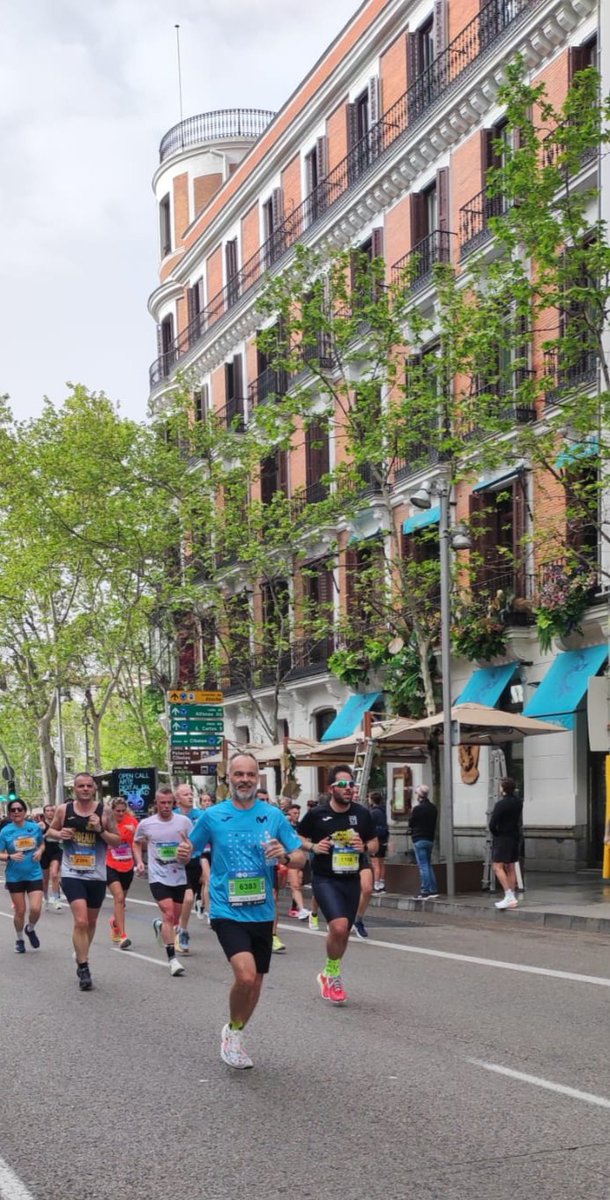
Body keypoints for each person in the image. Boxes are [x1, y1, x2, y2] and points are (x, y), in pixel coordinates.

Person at [185, 752, 304, 1069]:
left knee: (256, 983)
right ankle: (233, 1037)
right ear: (229, 777)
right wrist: (183, 852)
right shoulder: (213, 816)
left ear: (257, 778)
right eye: (239, 774)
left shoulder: (274, 816)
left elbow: (301, 857)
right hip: (227, 908)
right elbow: (190, 849)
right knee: (246, 975)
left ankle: (234, 1030)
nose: (245, 780)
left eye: (251, 774)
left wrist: (286, 856)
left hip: (263, 911)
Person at [297, 765, 378, 1004]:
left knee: (342, 934)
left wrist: (363, 847)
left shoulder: (362, 814)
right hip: (325, 878)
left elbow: (374, 843)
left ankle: (330, 971)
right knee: (340, 927)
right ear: (331, 788)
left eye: (351, 784)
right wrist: (313, 846)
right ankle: (333, 974)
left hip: (350, 878)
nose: (349, 788)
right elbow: (298, 837)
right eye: (343, 784)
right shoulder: (317, 814)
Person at [46, 773, 120, 990]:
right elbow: (49, 832)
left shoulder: (105, 812)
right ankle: (84, 966)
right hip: (72, 873)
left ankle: (81, 952)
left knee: (91, 922)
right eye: (81, 786)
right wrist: (60, 834)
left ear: (94, 788)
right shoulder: (63, 810)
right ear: (74, 789)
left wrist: (100, 830)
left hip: (96, 874)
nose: (85, 789)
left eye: (89, 785)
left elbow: (116, 842)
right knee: (80, 921)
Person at [132, 787, 192, 975]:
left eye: (169, 803)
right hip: (157, 875)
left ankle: (159, 926)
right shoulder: (147, 824)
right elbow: (136, 842)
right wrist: (140, 861)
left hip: (179, 874)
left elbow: (193, 844)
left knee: (173, 917)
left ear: (174, 803)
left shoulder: (184, 822)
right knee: (168, 914)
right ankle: (172, 959)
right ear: (156, 803)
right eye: (162, 803)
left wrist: (187, 848)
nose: (166, 806)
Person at [0, 798, 45, 953]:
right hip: (15, 876)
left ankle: (30, 929)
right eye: (13, 810)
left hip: (34, 873)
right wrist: (9, 857)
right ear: (10, 813)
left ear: (25, 811)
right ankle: (19, 939)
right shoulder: (5, 831)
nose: (17, 812)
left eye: (19, 809)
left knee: (36, 908)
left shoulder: (34, 828)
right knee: (20, 911)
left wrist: (39, 851)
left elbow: (42, 843)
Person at [173, 782, 203, 954]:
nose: (190, 797)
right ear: (177, 799)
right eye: (185, 794)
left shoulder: (201, 815)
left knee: (184, 902)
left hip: (196, 861)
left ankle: (169, 925)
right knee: (188, 898)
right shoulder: (172, 816)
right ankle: (182, 931)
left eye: (191, 794)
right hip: (177, 863)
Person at [106, 796, 139, 949]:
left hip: (127, 865)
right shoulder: (106, 822)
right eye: (117, 811)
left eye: (122, 811)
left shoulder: (131, 822)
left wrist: (136, 832)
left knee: (122, 901)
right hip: (110, 864)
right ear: (111, 810)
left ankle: (115, 923)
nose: (120, 814)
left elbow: (139, 843)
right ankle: (123, 936)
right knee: (118, 897)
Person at [490, 777, 523, 910]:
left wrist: (496, 834)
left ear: (503, 789)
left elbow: (492, 824)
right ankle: (512, 896)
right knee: (511, 866)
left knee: (497, 866)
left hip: (503, 837)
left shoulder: (500, 804)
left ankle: (508, 895)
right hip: (515, 836)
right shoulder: (518, 802)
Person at [410, 784, 439, 900]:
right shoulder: (433, 808)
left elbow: (411, 823)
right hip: (429, 838)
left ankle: (425, 890)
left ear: (419, 795)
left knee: (423, 866)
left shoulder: (417, 809)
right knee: (428, 864)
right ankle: (433, 889)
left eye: (416, 793)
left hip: (419, 838)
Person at [285, 803, 310, 921]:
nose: (297, 815)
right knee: (294, 884)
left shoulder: (301, 826)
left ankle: (295, 908)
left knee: (298, 884)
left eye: (298, 813)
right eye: (294, 813)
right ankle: (301, 909)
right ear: (288, 813)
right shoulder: (284, 825)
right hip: (289, 858)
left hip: (301, 858)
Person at [39, 803, 64, 910]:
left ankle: (56, 898)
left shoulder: (59, 824)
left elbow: (63, 836)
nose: (50, 812)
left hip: (56, 851)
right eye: (47, 811)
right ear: (44, 813)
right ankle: (45, 897)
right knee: (45, 879)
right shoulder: (41, 824)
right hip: (45, 852)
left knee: (54, 874)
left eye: (52, 810)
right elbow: (36, 839)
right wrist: (46, 834)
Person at [195, 792, 215, 921]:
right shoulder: (198, 816)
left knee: (206, 882)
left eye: (209, 801)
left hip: (215, 852)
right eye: (204, 801)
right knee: (208, 880)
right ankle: (210, 913)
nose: (207, 803)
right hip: (202, 852)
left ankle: (201, 902)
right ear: (200, 803)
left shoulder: (216, 815)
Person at [368, 791, 389, 892]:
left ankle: (376, 885)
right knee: (381, 863)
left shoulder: (372, 812)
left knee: (375, 864)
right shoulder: (383, 811)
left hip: (375, 840)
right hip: (383, 839)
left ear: (372, 800)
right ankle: (382, 883)